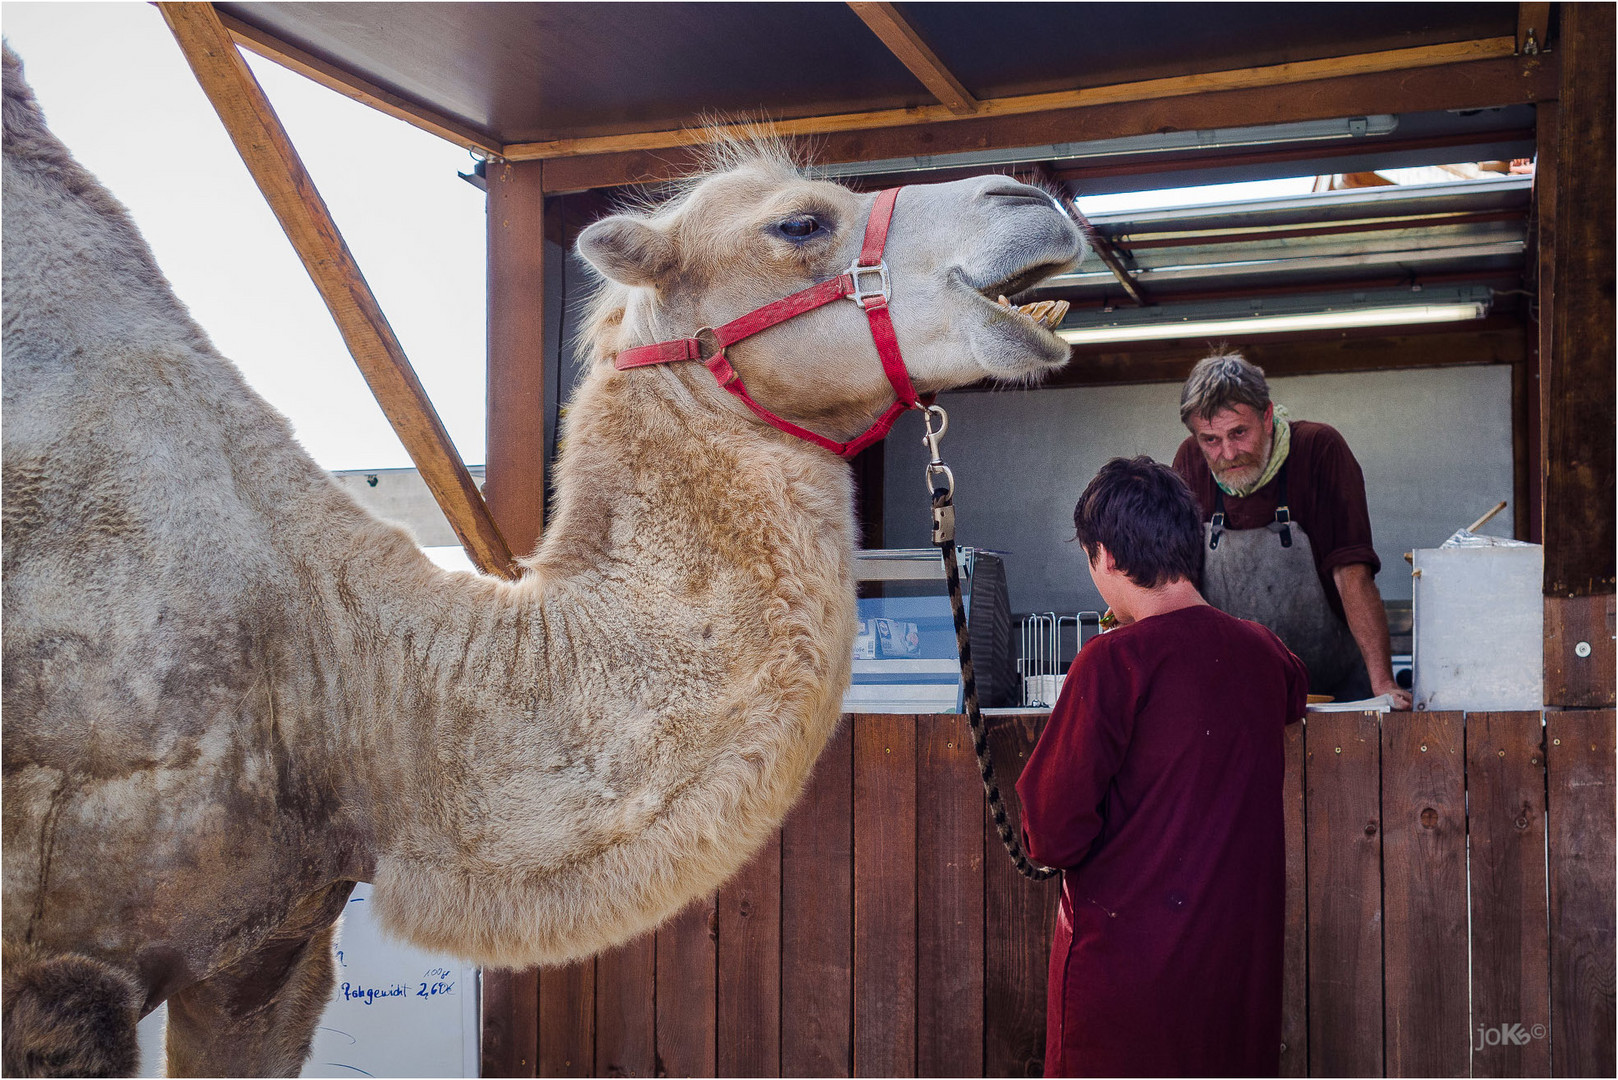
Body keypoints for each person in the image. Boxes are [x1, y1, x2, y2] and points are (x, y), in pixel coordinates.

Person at [1017, 457, 1308, 1077]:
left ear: (1108, 558)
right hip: (1236, 987)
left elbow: (1050, 833)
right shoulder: (1264, 653)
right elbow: (1292, 691)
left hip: (1127, 991)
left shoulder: (1109, 663)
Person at [1171, 351, 1413, 708]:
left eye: (1239, 432)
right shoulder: (1190, 462)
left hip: (1332, 690)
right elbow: (1177, 583)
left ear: (1267, 417)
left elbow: (1352, 572)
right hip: (1232, 693)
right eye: (1210, 439)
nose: (1228, 452)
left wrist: (1382, 684)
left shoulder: (1319, 449)